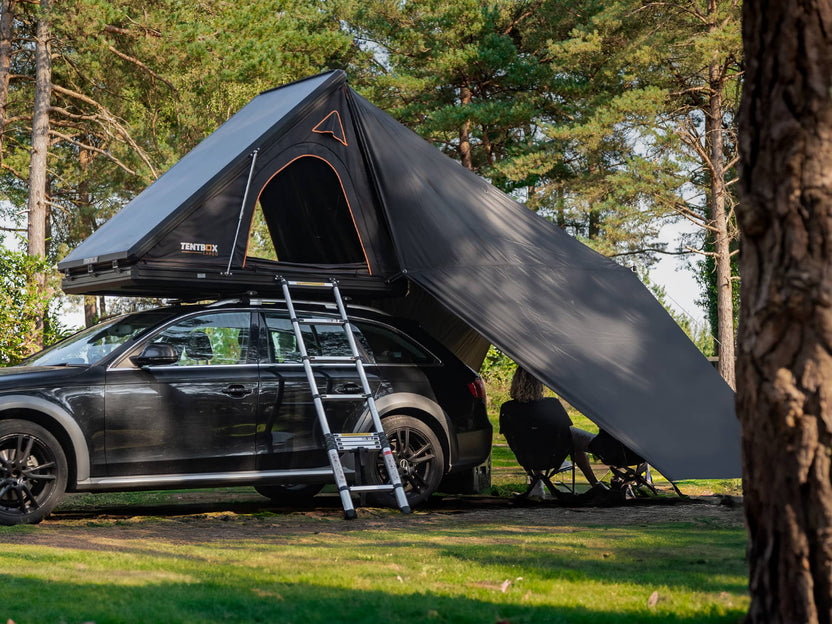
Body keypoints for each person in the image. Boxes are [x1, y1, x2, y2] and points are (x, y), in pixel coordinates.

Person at [499, 366, 603, 488]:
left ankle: (537, 487)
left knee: (534, 440)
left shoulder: (507, 408)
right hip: (554, 457)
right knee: (575, 442)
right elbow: (566, 432)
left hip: (527, 458)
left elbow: (510, 439)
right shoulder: (551, 404)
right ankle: (596, 483)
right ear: (539, 384)